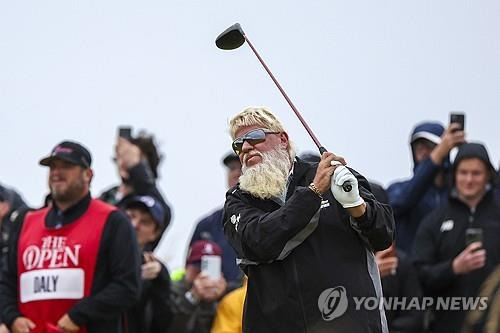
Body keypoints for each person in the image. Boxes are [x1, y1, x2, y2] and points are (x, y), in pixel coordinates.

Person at [223, 106, 395, 332]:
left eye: (255, 137)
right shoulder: (238, 200)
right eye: (238, 144)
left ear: (283, 140)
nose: (245, 147)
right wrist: (313, 194)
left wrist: (358, 206)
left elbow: (384, 235)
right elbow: (260, 241)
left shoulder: (331, 175)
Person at [0, 141, 141, 333]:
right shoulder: (25, 222)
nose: (57, 173)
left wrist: (79, 315)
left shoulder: (113, 221)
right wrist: (12, 317)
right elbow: (7, 280)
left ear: (87, 175)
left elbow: (127, 286)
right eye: (52, 167)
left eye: (66, 166)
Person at [413, 142, 500, 333]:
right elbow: (418, 275)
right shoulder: (434, 220)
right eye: (463, 172)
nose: (469, 180)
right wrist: (453, 268)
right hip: (447, 323)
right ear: (454, 175)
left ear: (488, 175)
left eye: (476, 173)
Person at [387, 121, 465, 253]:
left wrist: (468, 153)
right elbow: (403, 201)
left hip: (452, 269)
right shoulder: (398, 189)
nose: (422, 150)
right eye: (417, 146)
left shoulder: (460, 192)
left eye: (429, 145)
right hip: (412, 270)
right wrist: (437, 156)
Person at [100, 130, 171, 242]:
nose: (125, 163)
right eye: (121, 157)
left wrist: (136, 167)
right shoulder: (106, 197)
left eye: (134, 159)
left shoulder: (154, 203)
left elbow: (163, 214)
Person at [189, 153, 242, 287]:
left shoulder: (270, 217)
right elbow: (190, 273)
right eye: (232, 168)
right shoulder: (207, 224)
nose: (236, 173)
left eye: (243, 167)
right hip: (214, 302)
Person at [124, 195, 173, 333]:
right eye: (130, 216)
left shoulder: (156, 272)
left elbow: (161, 324)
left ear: (155, 233)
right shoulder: (98, 253)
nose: (135, 225)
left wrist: (160, 280)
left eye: (145, 222)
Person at [169, 240, 227, 333]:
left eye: (209, 270)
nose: (202, 274)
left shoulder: (225, 295)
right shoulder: (171, 290)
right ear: (187, 267)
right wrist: (192, 298)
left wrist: (209, 302)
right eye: (197, 267)